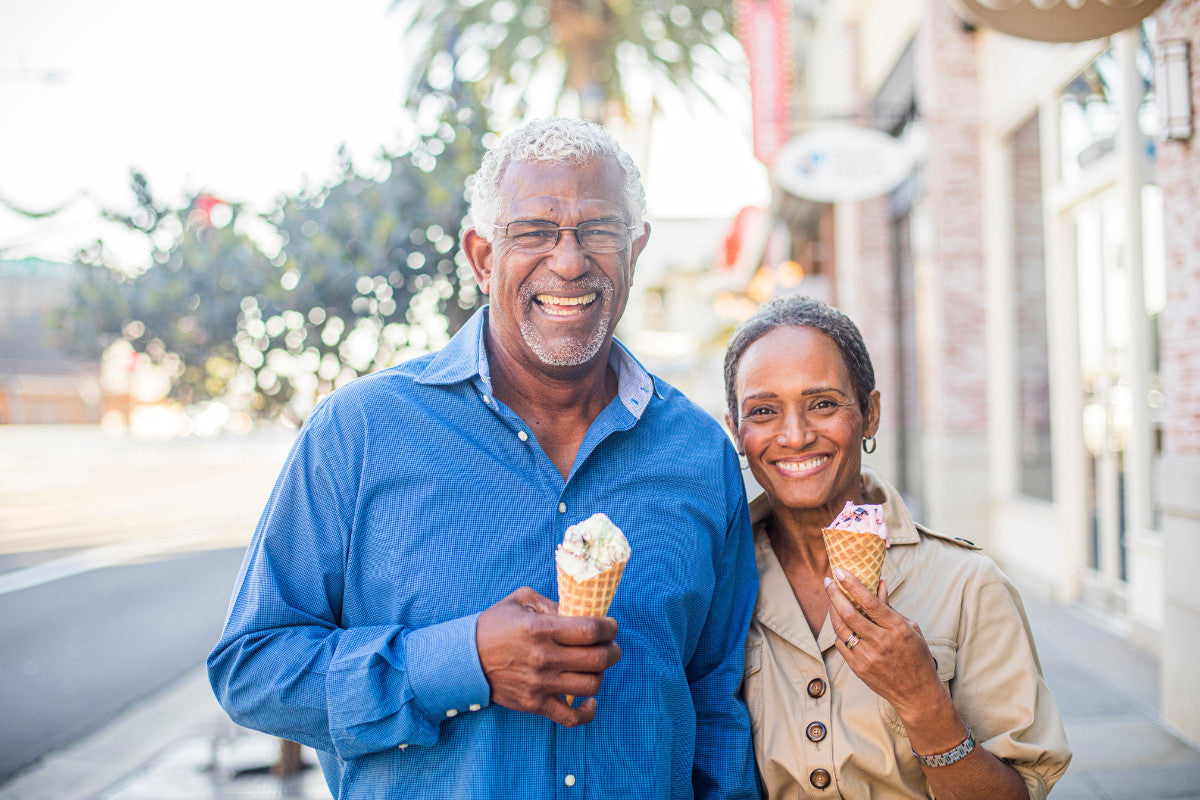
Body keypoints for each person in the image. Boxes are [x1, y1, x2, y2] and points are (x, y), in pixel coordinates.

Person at [208, 117, 760, 799]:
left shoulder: (699, 454)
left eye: (599, 230)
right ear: (481, 257)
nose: (569, 260)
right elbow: (251, 668)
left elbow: (719, 709)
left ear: (635, 250)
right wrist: (460, 662)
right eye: (534, 231)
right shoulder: (360, 433)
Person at [722, 294, 1071, 800]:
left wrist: (922, 699)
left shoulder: (967, 586)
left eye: (822, 403)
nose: (794, 436)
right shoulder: (715, 582)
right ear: (736, 431)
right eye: (764, 411)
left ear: (870, 413)